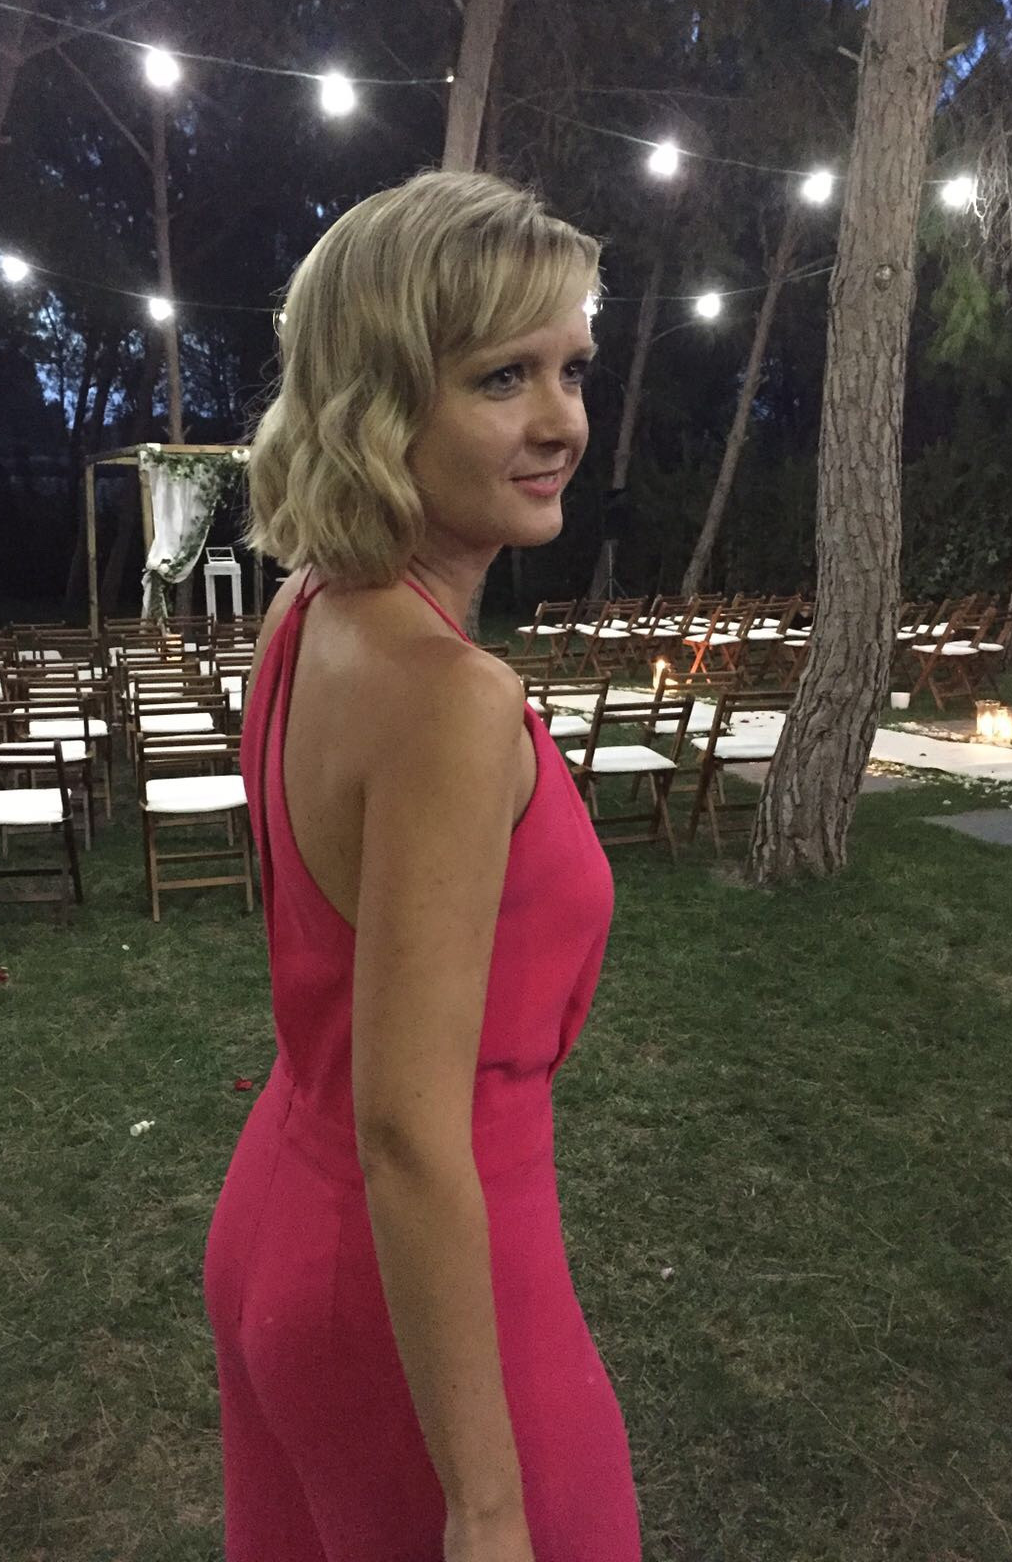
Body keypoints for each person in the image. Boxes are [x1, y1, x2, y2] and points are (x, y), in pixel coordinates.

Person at [202, 169, 642, 1562]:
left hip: (280, 1210)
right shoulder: (450, 699)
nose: (561, 419)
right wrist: (487, 1504)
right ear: (381, 402)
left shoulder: (309, 611)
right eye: (503, 376)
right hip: (426, 1289)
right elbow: (408, 1128)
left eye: (572, 368)